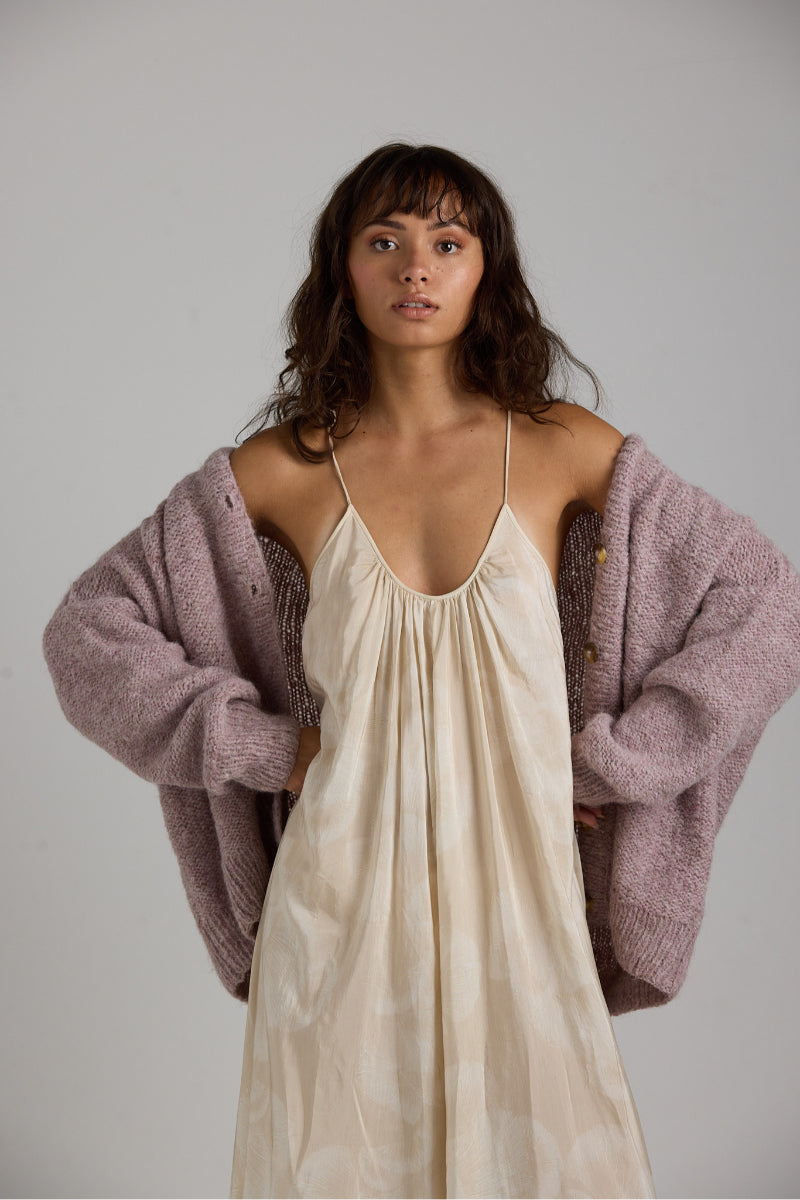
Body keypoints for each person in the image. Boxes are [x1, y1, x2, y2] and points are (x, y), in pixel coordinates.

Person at [42, 143, 800, 1200]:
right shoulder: (280, 471)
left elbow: (767, 605)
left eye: (448, 242)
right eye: (384, 240)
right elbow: (86, 635)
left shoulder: (561, 447)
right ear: (341, 269)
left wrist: (614, 761)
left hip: (524, 899)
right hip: (335, 903)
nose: (415, 267)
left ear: (485, 269)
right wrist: (266, 748)